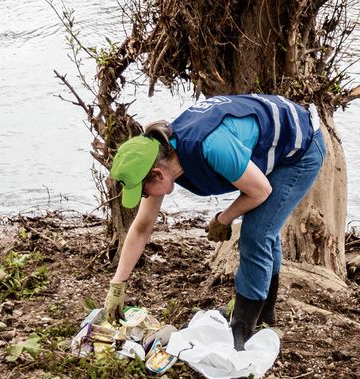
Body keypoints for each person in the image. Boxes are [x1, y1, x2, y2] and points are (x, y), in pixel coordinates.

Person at [102, 94, 326, 350]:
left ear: (157, 173)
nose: (145, 197)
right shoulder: (161, 155)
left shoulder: (210, 146)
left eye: (143, 191)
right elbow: (142, 227)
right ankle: (264, 317)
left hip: (302, 148)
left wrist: (224, 218)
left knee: (257, 232)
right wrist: (117, 285)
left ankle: (241, 330)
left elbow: (260, 191)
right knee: (265, 227)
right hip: (272, 147)